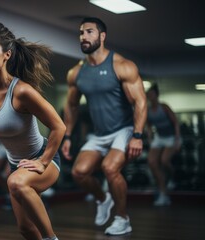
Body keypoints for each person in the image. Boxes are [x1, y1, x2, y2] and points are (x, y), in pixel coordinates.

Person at [0, 21, 66, 240]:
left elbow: (59, 126)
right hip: (17, 165)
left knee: (14, 181)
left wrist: (42, 161)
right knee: (25, 229)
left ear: (7, 54)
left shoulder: (22, 91)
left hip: (43, 161)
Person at [61, 17, 147, 235]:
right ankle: (103, 198)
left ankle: (122, 218)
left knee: (110, 168)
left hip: (124, 129)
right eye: (81, 33)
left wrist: (137, 135)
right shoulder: (76, 73)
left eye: (89, 32)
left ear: (102, 36)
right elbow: (71, 106)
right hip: (99, 134)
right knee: (79, 173)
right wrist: (68, 136)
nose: (83, 37)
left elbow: (140, 102)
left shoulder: (122, 66)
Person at [146, 83, 181, 206]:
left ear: (157, 95)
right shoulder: (148, 110)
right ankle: (163, 190)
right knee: (151, 162)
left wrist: (177, 140)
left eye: (152, 94)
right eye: (148, 95)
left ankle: (172, 178)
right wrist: (150, 138)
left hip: (171, 137)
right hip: (159, 138)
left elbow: (176, 122)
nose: (150, 96)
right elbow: (149, 126)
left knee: (164, 161)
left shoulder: (164, 107)